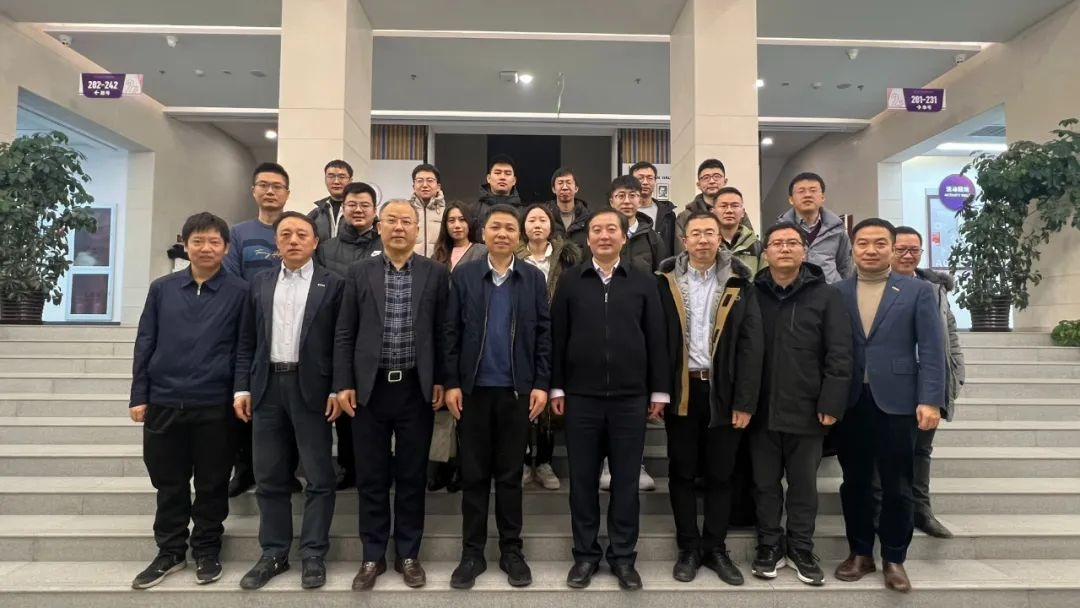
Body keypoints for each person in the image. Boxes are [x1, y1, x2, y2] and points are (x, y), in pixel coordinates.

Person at [550, 208, 671, 591]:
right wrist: (557, 387)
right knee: (583, 482)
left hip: (630, 399)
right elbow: (556, 337)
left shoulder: (644, 281)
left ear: (623, 236)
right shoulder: (571, 280)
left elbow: (657, 337)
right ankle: (585, 556)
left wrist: (659, 390)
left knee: (625, 483)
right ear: (588, 239)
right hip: (581, 399)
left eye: (611, 230)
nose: (604, 236)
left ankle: (622, 557)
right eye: (597, 230)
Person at [333, 200, 450, 591]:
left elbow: (443, 332)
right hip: (370, 389)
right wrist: (344, 383)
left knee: (412, 476)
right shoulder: (358, 272)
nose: (399, 227)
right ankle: (372, 554)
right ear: (379, 226)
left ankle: (408, 554)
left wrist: (441, 378)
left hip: (416, 388)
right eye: (392, 221)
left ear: (418, 229)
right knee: (371, 476)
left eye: (407, 221)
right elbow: (344, 332)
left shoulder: (435, 273)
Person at [129, 212, 247, 589]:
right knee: (169, 482)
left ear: (226, 248)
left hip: (215, 404)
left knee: (213, 482)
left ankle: (207, 549)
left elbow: (244, 349)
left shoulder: (241, 292)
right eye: (198, 241)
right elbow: (146, 341)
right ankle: (170, 551)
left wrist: (240, 391)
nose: (205, 248)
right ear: (185, 245)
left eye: (214, 242)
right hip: (164, 401)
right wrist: (139, 394)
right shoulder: (162, 289)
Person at [833, 218, 945, 593]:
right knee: (855, 482)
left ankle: (894, 558)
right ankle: (860, 553)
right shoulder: (836, 292)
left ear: (893, 248)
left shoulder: (917, 291)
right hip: (851, 400)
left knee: (898, 484)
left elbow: (932, 349)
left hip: (898, 401)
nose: (871, 250)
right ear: (852, 248)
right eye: (863, 243)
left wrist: (931, 399)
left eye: (880, 243)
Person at [233, 212, 344, 590]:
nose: (293, 240)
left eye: (301, 234)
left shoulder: (333, 283)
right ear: (276, 243)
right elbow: (247, 340)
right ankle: (274, 552)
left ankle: (313, 553)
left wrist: (338, 387)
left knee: (319, 476)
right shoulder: (259, 283)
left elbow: (341, 342)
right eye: (286, 235)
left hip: (312, 388)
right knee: (268, 476)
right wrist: (242, 388)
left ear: (315, 242)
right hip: (266, 388)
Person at [443, 204, 552, 589]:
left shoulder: (533, 278)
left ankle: (511, 550)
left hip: (516, 391)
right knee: (473, 475)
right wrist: (451, 382)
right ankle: (471, 553)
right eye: (495, 227)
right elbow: (450, 332)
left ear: (518, 235)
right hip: (473, 391)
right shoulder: (465, 275)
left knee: (509, 475)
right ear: (483, 234)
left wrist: (541, 383)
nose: (502, 233)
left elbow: (544, 334)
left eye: (509, 228)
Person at [655, 212, 763, 586]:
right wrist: (658, 392)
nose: (703, 240)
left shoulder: (740, 283)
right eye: (696, 233)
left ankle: (715, 547)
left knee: (721, 473)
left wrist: (745, 401)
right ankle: (688, 547)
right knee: (682, 472)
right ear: (684, 240)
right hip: (682, 390)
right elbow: (655, 340)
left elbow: (752, 346)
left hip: (724, 392)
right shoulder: (665, 282)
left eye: (710, 234)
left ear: (720, 240)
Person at [749, 221, 853, 586]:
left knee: (803, 485)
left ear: (804, 251)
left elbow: (840, 354)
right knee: (764, 484)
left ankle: (801, 547)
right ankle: (768, 545)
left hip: (808, 409)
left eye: (792, 243)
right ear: (766, 252)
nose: (784, 249)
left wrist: (832, 402)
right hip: (760, 410)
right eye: (777, 243)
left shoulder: (827, 296)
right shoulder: (752, 294)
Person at [223, 162, 301, 497]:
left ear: (287, 193)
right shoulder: (239, 233)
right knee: (248, 402)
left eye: (277, 186)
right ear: (253, 190)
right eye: (264, 185)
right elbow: (232, 280)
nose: (270, 191)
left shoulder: (297, 229)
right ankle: (244, 470)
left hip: (291, 331)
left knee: (290, 406)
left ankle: (288, 471)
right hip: (251, 328)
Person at [891, 226, 965, 538]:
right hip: (892, 383)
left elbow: (950, 335)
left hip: (929, 383)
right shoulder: (877, 288)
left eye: (914, 250)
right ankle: (890, 511)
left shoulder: (935, 290)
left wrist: (956, 373)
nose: (907, 256)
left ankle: (921, 509)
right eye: (901, 249)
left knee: (922, 450)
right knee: (888, 451)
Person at [516, 204, 583, 490]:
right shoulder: (514, 257)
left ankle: (544, 462)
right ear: (524, 226)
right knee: (521, 400)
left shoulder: (567, 258)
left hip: (556, 334)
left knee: (549, 400)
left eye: (542, 220)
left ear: (551, 225)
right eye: (531, 220)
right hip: (519, 336)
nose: (537, 225)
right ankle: (522, 461)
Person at [777, 172, 853, 284]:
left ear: (822, 197)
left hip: (830, 291)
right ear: (791, 199)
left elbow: (845, 268)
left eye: (813, 190)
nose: (807, 195)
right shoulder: (779, 231)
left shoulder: (837, 230)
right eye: (801, 191)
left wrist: (842, 290)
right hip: (793, 291)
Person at [610, 175, 664, 274]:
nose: (627, 201)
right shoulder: (602, 236)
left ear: (640, 201)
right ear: (612, 202)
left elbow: (660, 275)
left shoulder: (653, 238)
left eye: (632, 195)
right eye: (621, 196)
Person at [674, 159, 728, 253]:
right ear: (698, 184)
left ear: (725, 181)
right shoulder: (685, 216)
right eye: (706, 178)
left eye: (717, 176)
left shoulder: (736, 212)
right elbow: (681, 253)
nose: (712, 181)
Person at [713, 187, 764, 275]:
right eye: (723, 206)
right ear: (713, 211)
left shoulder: (756, 246)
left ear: (743, 212)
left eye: (735, 206)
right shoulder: (706, 243)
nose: (729, 211)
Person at [629, 161, 676, 256]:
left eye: (650, 178)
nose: (645, 182)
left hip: (662, 264)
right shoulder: (624, 212)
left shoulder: (668, 214)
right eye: (640, 178)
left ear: (655, 181)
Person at [474, 154, 524, 240]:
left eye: (507, 173)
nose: (502, 177)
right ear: (488, 178)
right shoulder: (474, 210)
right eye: (497, 173)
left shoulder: (523, 212)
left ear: (514, 180)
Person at [432, 201, 488, 272]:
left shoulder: (482, 252)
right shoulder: (438, 255)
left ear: (469, 222)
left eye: (462, 220)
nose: (457, 225)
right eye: (451, 220)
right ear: (445, 225)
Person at [309, 159, 353, 243]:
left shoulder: (360, 211)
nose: (336, 181)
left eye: (342, 177)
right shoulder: (316, 214)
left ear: (350, 181)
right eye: (331, 176)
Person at [409, 163, 447, 257]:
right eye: (420, 181)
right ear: (413, 186)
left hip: (439, 264)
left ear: (438, 187)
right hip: (411, 264)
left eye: (430, 181)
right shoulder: (406, 212)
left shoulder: (447, 212)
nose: (425, 185)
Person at [547, 167, 590, 243]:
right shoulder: (545, 215)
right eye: (560, 183)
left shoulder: (588, 216)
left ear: (576, 188)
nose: (564, 187)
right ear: (553, 189)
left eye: (569, 183)